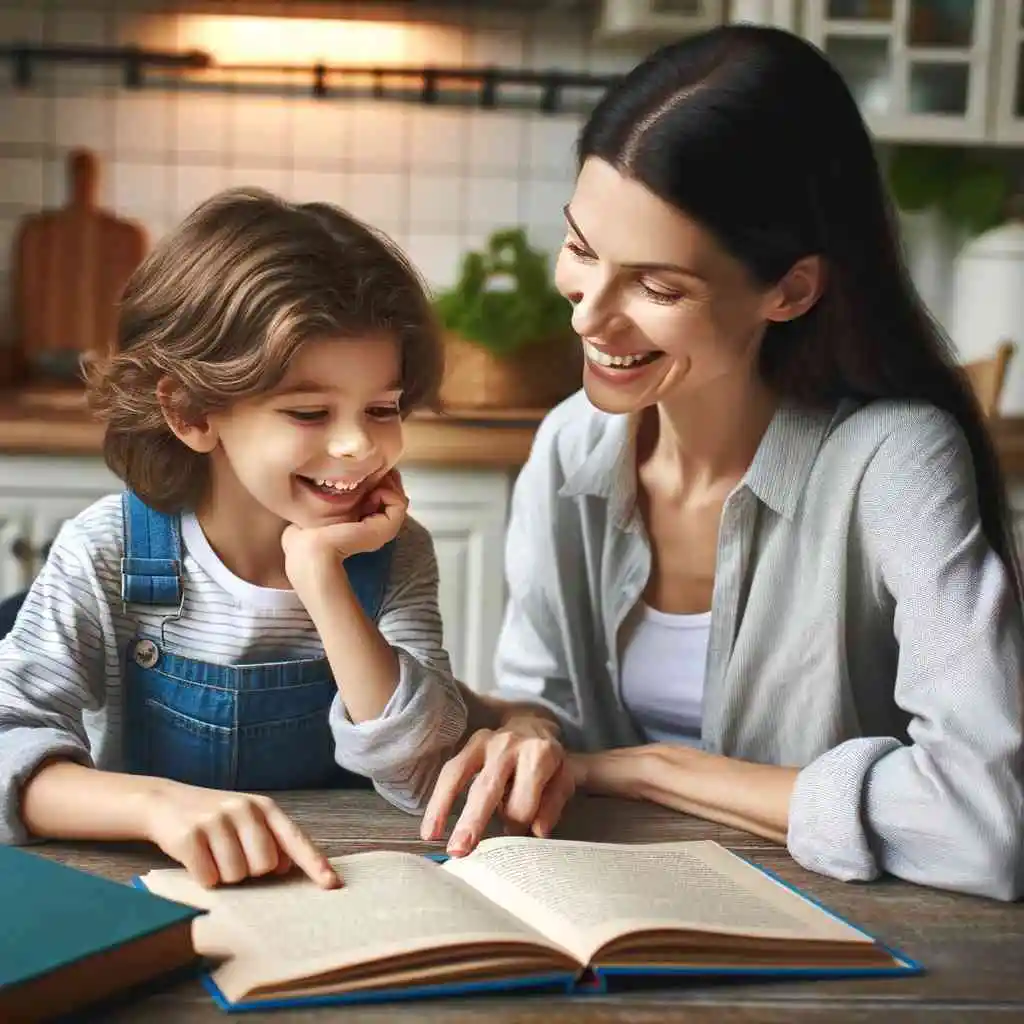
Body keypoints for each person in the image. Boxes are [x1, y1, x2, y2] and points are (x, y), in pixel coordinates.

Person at [422, 24, 1024, 901]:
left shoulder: (895, 458)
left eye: (659, 288)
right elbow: (540, 698)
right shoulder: (571, 445)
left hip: (850, 938)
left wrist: (651, 770)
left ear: (792, 290)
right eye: (583, 251)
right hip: (605, 905)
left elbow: (986, 818)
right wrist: (527, 734)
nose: (591, 317)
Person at [0, 189, 466, 888]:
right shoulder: (108, 551)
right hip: (154, 896)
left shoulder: (395, 554)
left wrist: (322, 579)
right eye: (309, 411)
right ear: (190, 412)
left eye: (381, 408)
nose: (358, 445)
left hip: (342, 895)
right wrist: (155, 805)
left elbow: (421, 775)